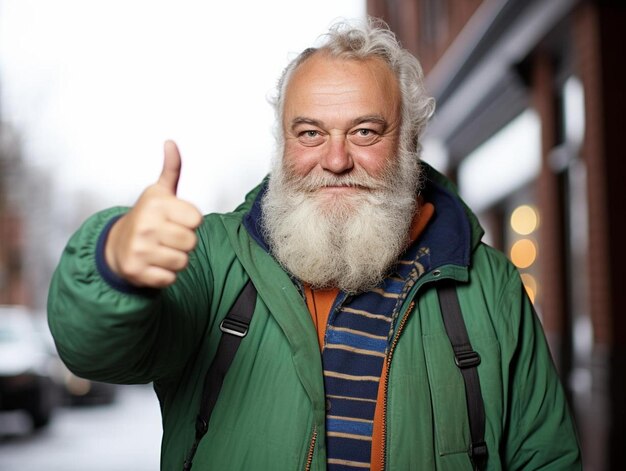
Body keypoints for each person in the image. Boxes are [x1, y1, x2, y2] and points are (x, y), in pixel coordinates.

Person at [47, 18, 581, 470]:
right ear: (284, 145)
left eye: (365, 132)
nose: (335, 159)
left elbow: (546, 455)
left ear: (408, 143)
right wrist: (114, 264)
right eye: (310, 134)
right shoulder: (212, 256)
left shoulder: (491, 286)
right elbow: (94, 350)